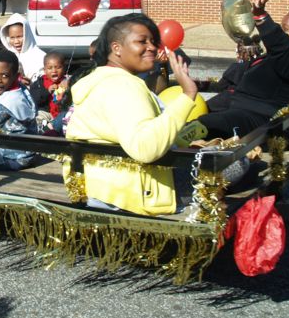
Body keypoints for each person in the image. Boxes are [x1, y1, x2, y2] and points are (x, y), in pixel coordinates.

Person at [65, 14, 198, 215]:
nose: (152, 47)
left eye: (153, 41)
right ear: (116, 48)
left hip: (97, 184)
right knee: (235, 165)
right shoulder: (125, 85)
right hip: (131, 192)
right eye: (142, 41)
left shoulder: (97, 79)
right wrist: (188, 94)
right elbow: (146, 149)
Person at [197, 0, 289, 139]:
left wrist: (262, 17)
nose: (283, 34)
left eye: (286, 29)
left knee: (199, 125)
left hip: (259, 119)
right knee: (192, 111)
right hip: (243, 106)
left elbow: (281, 45)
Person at [0, 13, 46, 84]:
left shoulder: (41, 57)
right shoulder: (7, 56)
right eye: (12, 37)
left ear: (27, 34)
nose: (16, 41)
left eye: (20, 36)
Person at [29, 51, 69, 119]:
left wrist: (67, 88)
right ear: (44, 70)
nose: (54, 71)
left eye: (58, 67)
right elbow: (34, 99)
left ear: (64, 68)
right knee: (39, 116)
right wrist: (47, 91)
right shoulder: (39, 83)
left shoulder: (67, 81)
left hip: (62, 113)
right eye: (50, 68)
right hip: (46, 112)